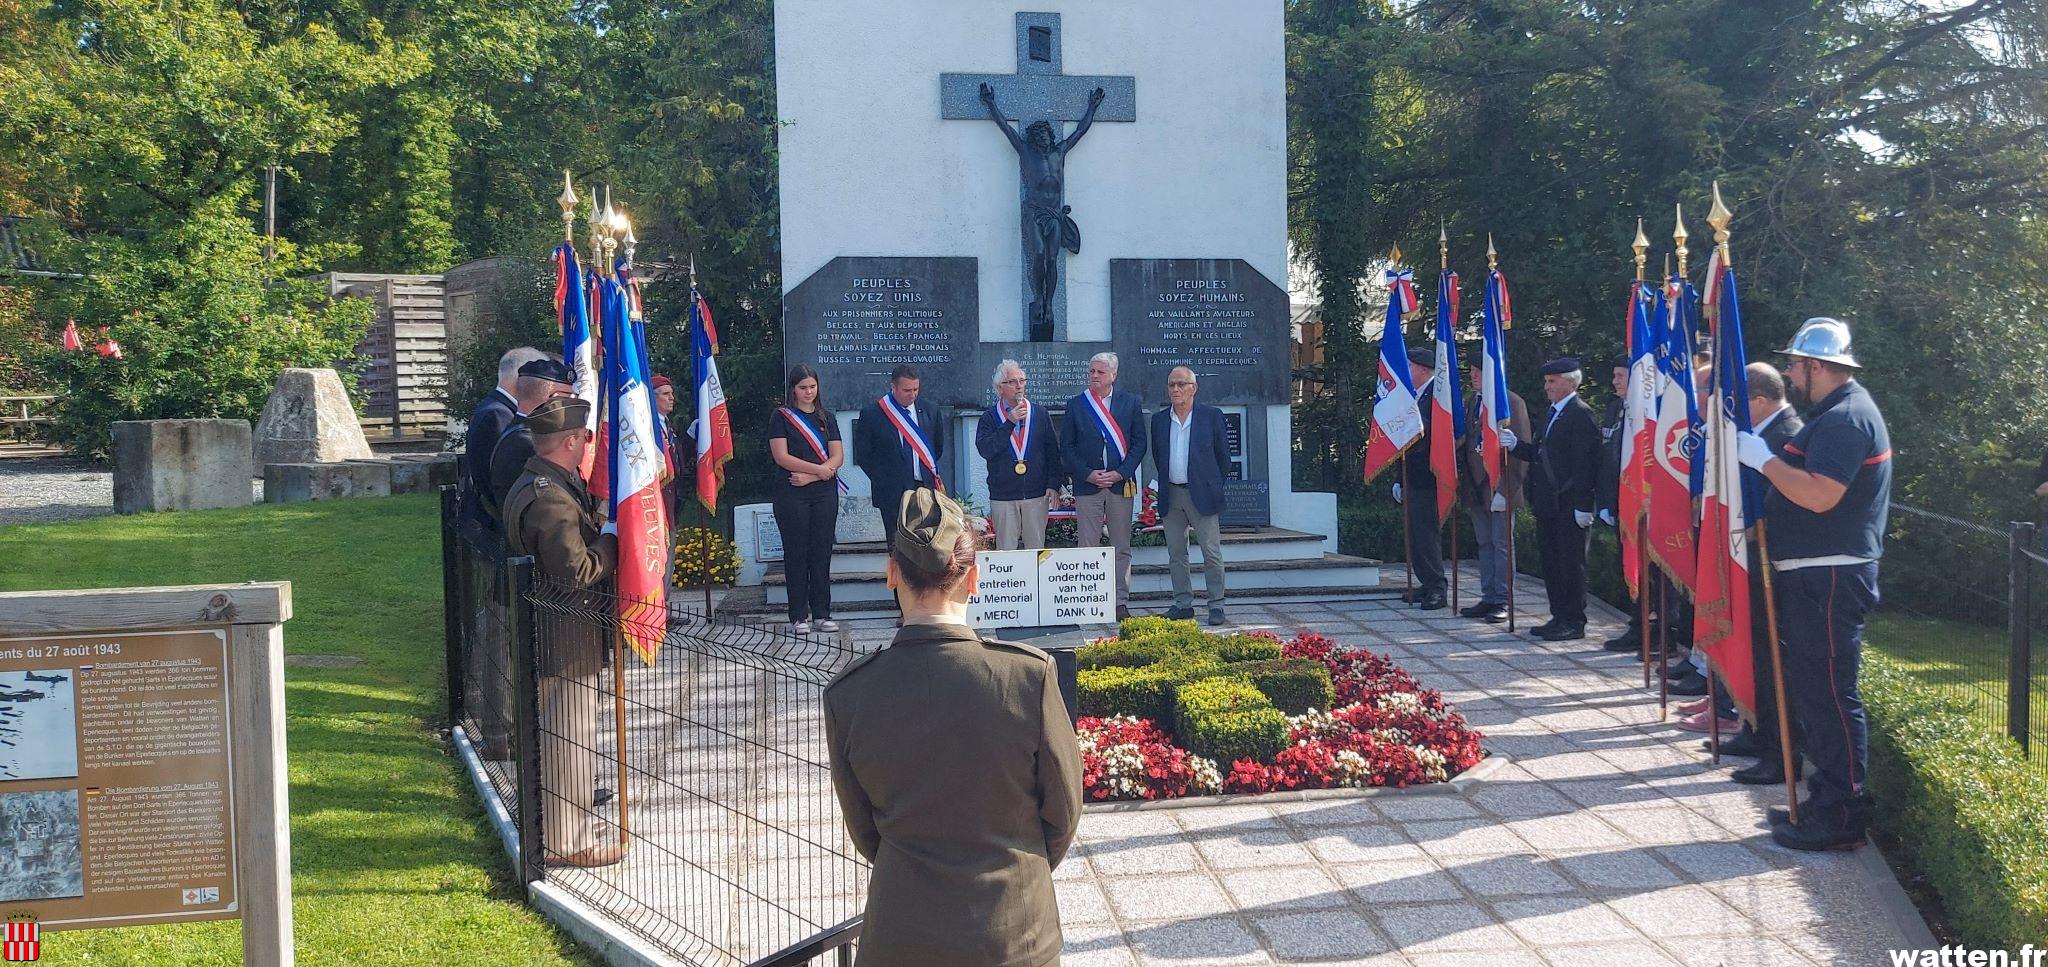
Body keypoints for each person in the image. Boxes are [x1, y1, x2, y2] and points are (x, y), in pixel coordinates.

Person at [823, 489, 1084, 966]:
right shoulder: (1027, 677)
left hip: (903, 937)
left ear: (891, 574)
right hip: (1014, 934)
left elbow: (865, 832)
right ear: (974, 579)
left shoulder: (850, 694)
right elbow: (1063, 813)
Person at [1738, 317, 1891, 852]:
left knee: (1830, 692)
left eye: (1796, 364)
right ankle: (1825, 798)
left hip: (1829, 574)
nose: (1789, 372)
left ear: (1817, 367)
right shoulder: (1833, 415)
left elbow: (1823, 494)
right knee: (1815, 691)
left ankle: (1842, 812)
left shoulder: (1847, 419)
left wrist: (1764, 462)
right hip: (1814, 573)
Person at [501, 396, 623, 868]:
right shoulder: (551, 496)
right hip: (566, 633)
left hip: (553, 628)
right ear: (571, 440)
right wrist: (611, 538)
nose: (586, 444)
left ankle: (555, 831)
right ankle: (564, 842)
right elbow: (575, 570)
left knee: (559, 734)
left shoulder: (535, 482)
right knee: (568, 739)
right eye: (584, 437)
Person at [1713, 361, 1806, 782]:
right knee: (1756, 656)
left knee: (1775, 662)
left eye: (1737, 402)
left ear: (1760, 400)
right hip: (1748, 560)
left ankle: (1781, 753)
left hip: (1772, 566)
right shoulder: (1761, 433)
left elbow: (1781, 498)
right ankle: (1756, 730)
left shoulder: (1788, 434)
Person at [1499, 357, 1601, 641]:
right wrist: (1516, 446)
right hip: (1548, 504)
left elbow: (1585, 465)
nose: (1547, 387)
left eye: (1553, 382)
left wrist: (1584, 504)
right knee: (1552, 564)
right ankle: (1559, 615)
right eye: (1546, 382)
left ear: (1571, 382)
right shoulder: (1553, 413)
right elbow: (1542, 454)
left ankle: (1574, 620)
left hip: (1569, 504)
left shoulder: (1581, 415)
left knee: (1571, 564)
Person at [1062, 352, 1148, 621]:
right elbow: (1067, 447)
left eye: (1100, 372)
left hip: (1119, 486)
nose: (1094, 376)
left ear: (1113, 375)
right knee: (1087, 544)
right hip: (1089, 487)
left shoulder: (1130, 403)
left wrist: (1120, 473)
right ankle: (1089, 600)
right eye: (1091, 371)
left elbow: (1139, 444)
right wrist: (1088, 474)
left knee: (1120, 545)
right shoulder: (1076, 405)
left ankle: (1120, 602)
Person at [1150, 366, 1232, 626]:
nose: (1176, 389)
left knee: (1211, 551)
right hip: (1172, 494)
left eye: (1181, 384)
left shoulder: (1211, 417)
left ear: (1193, 388)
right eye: (1172, 384)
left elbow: (1224, 459)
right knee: (1176, 553)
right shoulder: (1160, 420)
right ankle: (1182, 604)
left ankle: (1216, 605)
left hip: (1202, 495)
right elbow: (1158, 455)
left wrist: (1209, 483)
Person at [769, 365, 844, 635]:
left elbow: (837, 456)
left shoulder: (827, 417)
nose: (808, 392)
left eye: (812, 387)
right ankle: (798, 616)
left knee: (821, 553)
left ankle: (822, 614)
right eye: (803, 388)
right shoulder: (782, 417)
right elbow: (781, 456)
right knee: (797, 553)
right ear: (793, 389)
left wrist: (815, 476)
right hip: (792, 493)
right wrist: (818, 471)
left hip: (823, 491)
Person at [1457, 353, 1530, 624]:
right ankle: (1488, 596)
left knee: (1502, 545)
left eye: (1479, 371)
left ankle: (1503, 599)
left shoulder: (1510, 402)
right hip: (1476, 487)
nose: (1473, 375)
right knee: (1484, 543)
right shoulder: (1471, 401)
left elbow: (1519, 451)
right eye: (1472, 371)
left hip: (1499, 487)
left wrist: (1507, 490)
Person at [975, 360, 1064, 550]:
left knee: (1036, 551)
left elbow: (1052, 453)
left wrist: (1053, 484)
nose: (1019, 386)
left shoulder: (1039, 413)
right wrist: (1010, 422)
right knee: (1006, 553)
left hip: (1036, 494)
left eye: (1022, 381)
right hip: (1003, 496)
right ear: (1000, 388)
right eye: (1012, 382)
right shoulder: (990, 417)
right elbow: (986, 450)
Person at [855, 365, 945, 551]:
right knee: (898, 549)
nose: (912, 395)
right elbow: (864, 455)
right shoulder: (872, 414)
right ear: (893, 387)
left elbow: (937, 447)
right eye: (906, 390)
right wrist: (884, 478)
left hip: (924, 490)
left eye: (915, 389)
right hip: (891, 493)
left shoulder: (930, 410)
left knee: (926, 547)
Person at [462, 346, 546, 531]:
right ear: (522, 377)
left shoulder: (495, 406)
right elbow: (500, 476)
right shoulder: (498, 414)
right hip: (492, 525)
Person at [1393, 347, 1449, 611]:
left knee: (1427, 535)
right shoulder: (1413, 395)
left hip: (1429, 476)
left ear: (1424, 370)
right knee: (1414, 535)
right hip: (1411, 476)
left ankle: (1438, 587)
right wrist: (1398, 478)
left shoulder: (1435, 397)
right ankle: (1426, 583)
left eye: (1410, 366)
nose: (1406, 370)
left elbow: (1431, 438)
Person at [489, 358, 577, 519]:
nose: (571, 404)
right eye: (568, 397)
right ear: (553, 397)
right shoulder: (528, 443)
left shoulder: (519, 433)